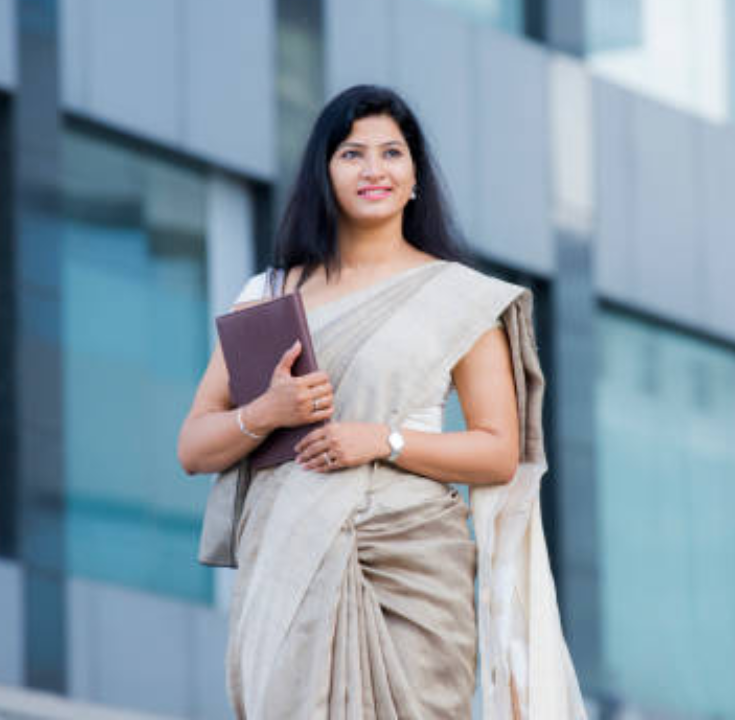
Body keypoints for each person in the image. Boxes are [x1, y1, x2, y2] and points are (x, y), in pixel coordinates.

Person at [176, 84, 584, 719]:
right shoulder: (269, 295)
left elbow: (499, 451)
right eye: (352, 154)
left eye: (392, 153)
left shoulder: (461, 298)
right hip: (288, 563)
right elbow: (194, 447)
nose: (374, 170)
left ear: (415, 174)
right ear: (324, 173)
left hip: (412, 569)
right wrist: (267, 413)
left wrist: (384, 441)